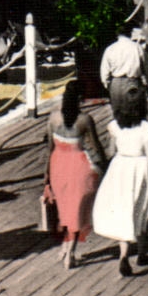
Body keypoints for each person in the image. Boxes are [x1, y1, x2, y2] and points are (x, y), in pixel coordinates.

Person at [94, 89, 148, 278]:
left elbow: (111, 150)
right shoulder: (146, 128)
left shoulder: (116, 125)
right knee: (142, 208)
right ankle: (141, 253)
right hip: (139, 168)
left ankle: (124, 255)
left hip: (120, 166)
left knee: (125, 210)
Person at [42, 81, 104, 269]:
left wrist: (46, 175)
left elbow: (49, 148)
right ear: (79, 99)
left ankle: (64, 246)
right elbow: (95, 146)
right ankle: (70, 253)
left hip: (58, 165)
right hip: (78, 167)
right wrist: (105, 165)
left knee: (65, 208)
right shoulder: (85, 120)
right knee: (79, 210)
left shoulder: (53, 117)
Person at [100, 21, 148, 121]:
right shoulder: (137, 48)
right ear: (130, 33)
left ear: (118, 34)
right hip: (133, 83)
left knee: (119, 118)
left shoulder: (110, 49)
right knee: (137, 118)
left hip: (116, 85)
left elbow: (104, 72)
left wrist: (108, 86)